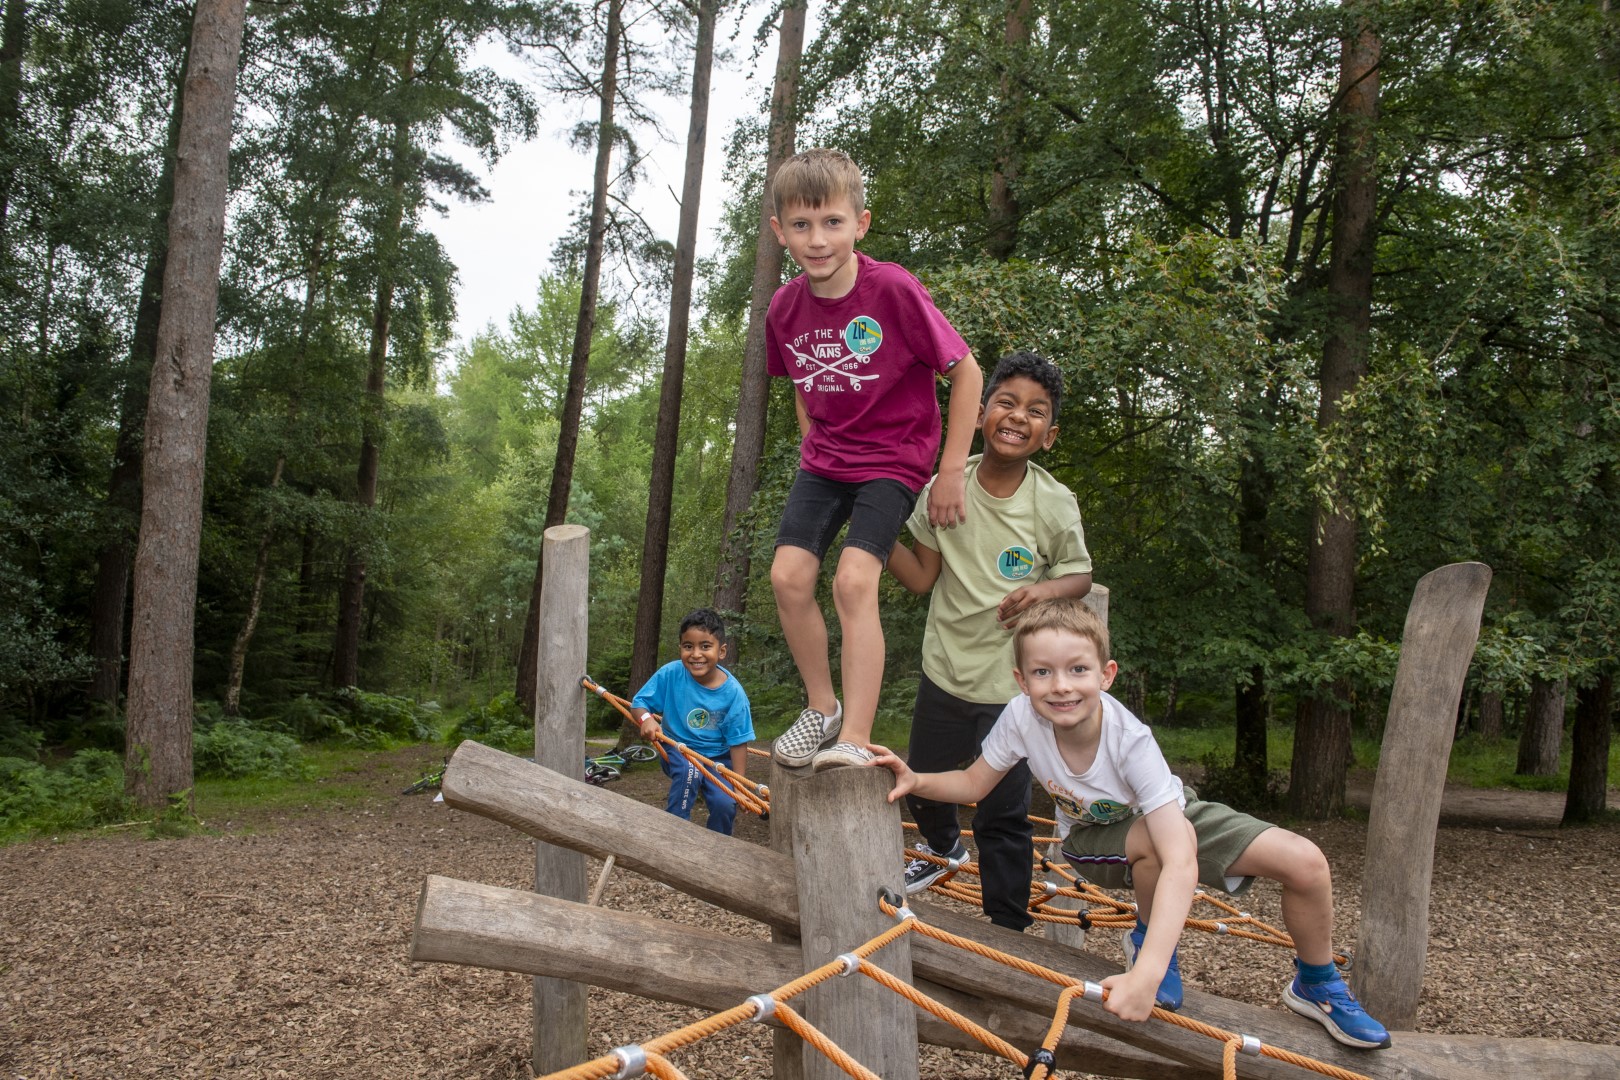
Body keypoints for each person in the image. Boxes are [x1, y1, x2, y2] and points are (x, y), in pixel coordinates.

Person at [869, 598, 1391, 1050]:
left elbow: (1183, 856)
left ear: (1106, 674)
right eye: (1043, 672)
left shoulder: (1130, 738)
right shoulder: (1021, 718)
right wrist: (917, 779)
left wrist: (1142, 980)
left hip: (1169, 813)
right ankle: (1149, 947)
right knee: (1160, 843)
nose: (1061, 686)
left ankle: (1316, 983)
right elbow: (974, 785)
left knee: (1306, 862)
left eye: (1077, 670)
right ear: (1021, 681)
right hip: (1095, 842)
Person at [764, 147, 983, 772]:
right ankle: (823, 707)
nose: (817, 238)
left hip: (893, 459)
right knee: (787, 578)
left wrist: (948, 471)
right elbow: (803, 389)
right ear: (780, 232)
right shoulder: (784, 308)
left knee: (854, 582)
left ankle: (856, 736)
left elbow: (966, 372)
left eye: (832, 221)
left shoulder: (892, 288)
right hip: (826, 462)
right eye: (801, 225)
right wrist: (815, 445)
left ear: (860, 223)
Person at [885, 351, 1092, 931]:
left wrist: (1042, 591)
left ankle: (1009, 925)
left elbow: (1079, 575)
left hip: (1010, 688)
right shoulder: (944, 488)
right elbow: (922, 577)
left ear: (1048, 435)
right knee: (923, 782)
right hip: (945, 668)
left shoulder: (1051, 502)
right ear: (979, 414)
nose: (1017, 416)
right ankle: (944, 848)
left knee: (1002, 812)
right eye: (1006, 402)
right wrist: (875, 539)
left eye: (1035, 411)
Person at [631, 609, 755, 836]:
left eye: (705, 646)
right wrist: (646, 719)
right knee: (690, 772)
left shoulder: (734, 694)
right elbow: (639, 703)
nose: (696, 654)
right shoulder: (671, 674)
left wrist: (740, 785)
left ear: (722, 651)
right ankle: (675, 834)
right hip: (676, 749)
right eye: (688, 646)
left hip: (717, 760)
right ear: (681, 648)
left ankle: (718, 847)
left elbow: (738, 742)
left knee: (725, 803)